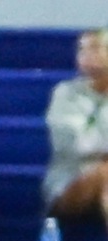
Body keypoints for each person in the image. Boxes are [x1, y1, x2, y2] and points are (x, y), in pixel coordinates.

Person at [46, 29, 108, 230]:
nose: (86, 55)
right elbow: (77, 144)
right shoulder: (65, 95)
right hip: (69, 180)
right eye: (82, 49)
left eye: (95, 48)